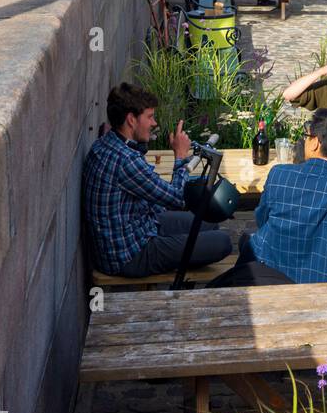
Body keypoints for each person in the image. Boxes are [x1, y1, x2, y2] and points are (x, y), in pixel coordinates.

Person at [83, 83, 232, 277]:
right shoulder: (126, 160)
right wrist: (179, 156)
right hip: (130, 255)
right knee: (223, 242)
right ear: (131, 120)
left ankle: (184, 253)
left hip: (140, 227)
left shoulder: (106, 143)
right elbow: (179, 199)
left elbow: (154, 197)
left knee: (209, 223)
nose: (154, 123)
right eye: (149, 117)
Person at [235, 109, 327, 283]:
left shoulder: (279, 173)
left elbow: (262, 219)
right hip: (317, 275)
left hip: (269, 269)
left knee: (248, 241)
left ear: (315, 143)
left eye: (306, 136)